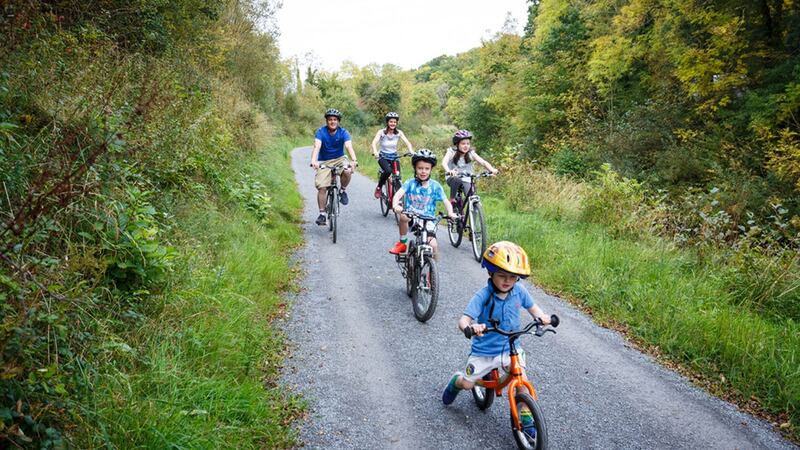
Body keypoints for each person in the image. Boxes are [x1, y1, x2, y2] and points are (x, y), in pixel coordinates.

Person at [441, 241, 552, 441]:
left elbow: (533, 308)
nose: (508, 280)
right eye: (502, 275)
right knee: (468, 384)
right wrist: (471, 327)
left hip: (511, 347)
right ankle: (455, 382)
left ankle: (526, 419)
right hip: (484, 351)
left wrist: (542, 317)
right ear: (491, 272)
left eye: (512, 276)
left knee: (521, 381)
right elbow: (463, 320)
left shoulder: (520, 291)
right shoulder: (483, 295)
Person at [389, 149, 457, 257]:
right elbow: (398, 195)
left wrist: (450, 213)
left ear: (431, 170)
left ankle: (432, 271)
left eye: (427, 169)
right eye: (420, 168)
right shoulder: (410, 183)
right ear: (415, 169)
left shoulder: (435, 186)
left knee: (434, 246)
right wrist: (395, 205)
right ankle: (402, 243)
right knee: (403, 216)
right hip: (412, 216)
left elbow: (446, 201)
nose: (423, 171)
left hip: (428, 220)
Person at [310, 108, 359, 226]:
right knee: (322, 187)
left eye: (335, 120)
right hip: (324, 161)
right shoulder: (321, 132)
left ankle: (342, 190)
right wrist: (314, 161)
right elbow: (317, 146)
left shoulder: (343, 132)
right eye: (330, 119)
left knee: (347, 171)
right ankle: (322, 214)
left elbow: (349, 147)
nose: (332, 122)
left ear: (338, 121)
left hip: (339, 159)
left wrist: (354, 160)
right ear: (327, 121)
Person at [441, 129, 499, 207]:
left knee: (471, 195)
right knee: (456, 180)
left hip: (466, 179)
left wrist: (492, 170)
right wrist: (449, 171)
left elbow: (483, 162)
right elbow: (444, 162)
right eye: (463, 143)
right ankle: (452, 199)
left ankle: (473, 211)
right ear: (457, 144)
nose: (466, 146)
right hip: (452, 178)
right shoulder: (451, 152)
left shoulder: (471, 153)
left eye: (468, 143)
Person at [371, 111, 414, 199]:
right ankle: (379, 187)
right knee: (387, 171)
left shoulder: (399, 133)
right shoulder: (381, 132)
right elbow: (374, 142)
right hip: (382, 156)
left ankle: (398, 199)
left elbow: (407, 142)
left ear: (396, 123)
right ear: (387, 122)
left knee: (397, 177)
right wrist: (375, 152)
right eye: (391, 121)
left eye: (394, 122)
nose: (393, 123)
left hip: (394, 157)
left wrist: (411, 151)